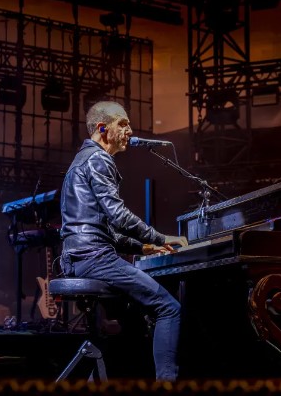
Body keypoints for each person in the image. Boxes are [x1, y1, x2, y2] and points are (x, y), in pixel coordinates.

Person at [59, 100, 188, 382]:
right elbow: (118, 216)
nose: (130, 130)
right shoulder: (98, 159)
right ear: (103, 128)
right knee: (169, 308)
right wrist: (160, 236)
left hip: (79, 257)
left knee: (133, 316)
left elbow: (104, 228)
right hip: (94, 258)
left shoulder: (83, 160)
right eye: (123, 123)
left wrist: (143, 247)